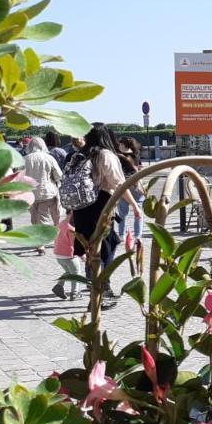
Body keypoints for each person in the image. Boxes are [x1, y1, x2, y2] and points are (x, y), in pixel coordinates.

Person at [66, 123, 141, 305]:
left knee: (93, 247)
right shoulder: (106, 155)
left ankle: (96, 286)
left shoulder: (80, 154)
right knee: (105, 246)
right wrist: (135, 206)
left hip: (81, 208)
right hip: (100, 206)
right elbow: (119, 184)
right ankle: (101, 291)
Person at [23, 138, 62, 245]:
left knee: (34, 218)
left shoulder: (24, 159)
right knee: (44, 217)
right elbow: (59, 175)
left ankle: (39, 242)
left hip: (30, 194)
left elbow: (19, 177)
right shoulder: (49, 158)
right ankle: (45, 242)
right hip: (47, 192)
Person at [115, 136, 144, 250]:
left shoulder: (118, 156)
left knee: (122, 213)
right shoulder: (136, 155)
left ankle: (121, 235)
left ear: (123, 144)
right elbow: (139, 170)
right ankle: (138, 236)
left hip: (124, 186)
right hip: (136, 185)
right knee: (138, 212)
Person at [52, 217, 84, 301]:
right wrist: (82, 255)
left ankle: (59, 286)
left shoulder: (61, 223)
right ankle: (74, 293)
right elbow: (75, 244)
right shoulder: (71, 228)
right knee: (76, 274)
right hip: (69, 256)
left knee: (69, 272)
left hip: (58, 255)